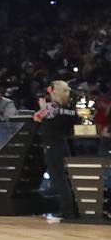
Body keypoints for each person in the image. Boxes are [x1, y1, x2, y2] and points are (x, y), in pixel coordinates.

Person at [34, 80, 79, 219]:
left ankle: (67, 210)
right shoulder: (71, 108)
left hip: (52, 145)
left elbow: (36, 118)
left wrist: (42, 107)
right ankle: (74, 208)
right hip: (65, 144)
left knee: (59, 179)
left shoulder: (51, 107)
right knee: (67, 179)